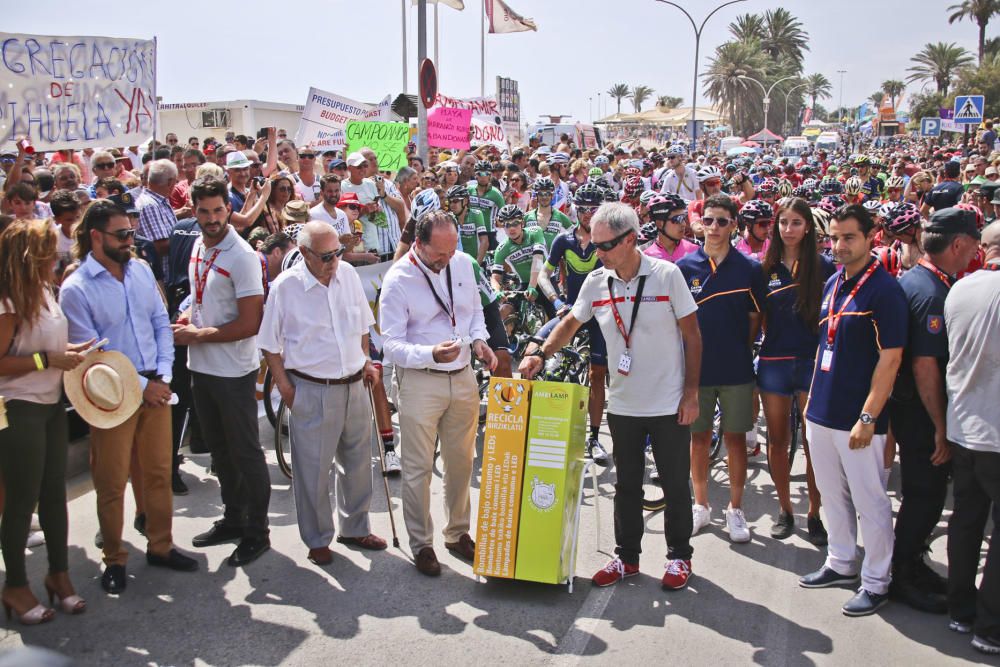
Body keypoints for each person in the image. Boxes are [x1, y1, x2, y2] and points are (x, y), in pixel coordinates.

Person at [520, 202, 702, 590]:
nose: (596, 253)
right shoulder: (597, 281)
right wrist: (540, 353)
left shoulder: (667, 275)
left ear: (631, 239)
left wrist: (691, 395)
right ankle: (627, 558)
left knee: (674, 482)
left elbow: (693, 336)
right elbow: (570, 322)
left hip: (669, 402)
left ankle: (679, 557)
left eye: (604, 246)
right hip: (623, 404)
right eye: (593, 242)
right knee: (626, 484)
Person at [60, 200, 199, 594]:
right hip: (111, 397)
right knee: (111, 480)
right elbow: (92, 354)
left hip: (155, 388)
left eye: (131, 233)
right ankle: (115, 558)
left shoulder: (140, 271)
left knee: (157, 473)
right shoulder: (76, 289)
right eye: (122, 235)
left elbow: (161, 320)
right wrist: (146, 385)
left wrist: (166, 375)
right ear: (96, 237)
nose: (130, 241)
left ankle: (161, 545)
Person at [798, 203, 908, 618]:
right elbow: (826, 346)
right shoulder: (834, 282)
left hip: (858, 419)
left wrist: (868, 417)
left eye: (849, 238)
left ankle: (877, 580)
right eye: (835, 238)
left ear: (869, 237)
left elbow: (891, 359)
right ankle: (841, 561)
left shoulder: (885, 290)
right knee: (831, 495)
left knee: (871, 501)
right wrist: (812, 402)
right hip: (822, 412)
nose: (839, 246)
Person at [258, 222, 386, 566]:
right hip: (312, 388)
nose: (335, 260)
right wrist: (286, 389)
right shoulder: (285, 288)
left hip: (354, 384)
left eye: (338, 252)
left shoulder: (347, 275)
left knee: (358, 464)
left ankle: (355, 527)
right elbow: (269, 345)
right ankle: (317, 539)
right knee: (313, 471)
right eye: (327, 255)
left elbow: (362, 325)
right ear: (304, 254)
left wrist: (365, 362)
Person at [379, 210, 497, 576]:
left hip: (462, 376)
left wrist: (479, 340)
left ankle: (457, 532)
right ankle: (422, 544)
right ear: (418, 243)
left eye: (450, 253)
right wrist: (428, 353)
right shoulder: (398, 278)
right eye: (438, 256)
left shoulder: (461, 263)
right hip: (420, 379)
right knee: (418, 467)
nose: (445, 262)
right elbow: (390, 344)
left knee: (462, 461)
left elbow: (475, 311)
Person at [170, 176, 271, 568]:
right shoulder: (198, 243)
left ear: (229, 209)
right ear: (192, 211)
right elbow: (201, 300)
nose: (212, 219)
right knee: (221, 453)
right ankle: (233, 519)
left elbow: (250, 323)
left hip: (233, 371)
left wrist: (197, 334)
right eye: (204, 211)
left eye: (218, 210)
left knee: (246, 454)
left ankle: (256, 532)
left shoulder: (242, 255)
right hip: (202, 368)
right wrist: (187, 318)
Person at [887, 207, 981, 614]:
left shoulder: (923, 280)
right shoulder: (929, 291)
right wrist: (942, 427)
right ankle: (903, 575)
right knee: (924, 495)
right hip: (920, 412)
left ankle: (912, 564)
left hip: (913, 407)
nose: (974, 253)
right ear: (958, 244)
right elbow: (925, 366)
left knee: (923, 495)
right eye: (973, 245)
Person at [0, 220, 89, 624]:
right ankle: (16, 586)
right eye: (48, 251)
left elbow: (41, 344)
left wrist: (69, 349)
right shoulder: (8, 301)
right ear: (29, 256)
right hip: (20, 408)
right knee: (22, 501)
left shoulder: (44, 291)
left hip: (52, 403)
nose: (57, 257)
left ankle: (58, 574)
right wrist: (48, 359)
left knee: (54, 495)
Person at [676, 194, 766, 543]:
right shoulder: (685, 268)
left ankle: (736, 510)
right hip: (695, 372)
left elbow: (755, 318)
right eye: (709, 220)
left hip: (736, 369)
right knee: (698, 439)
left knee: (735, 440)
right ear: (701, 223)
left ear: (733, 225)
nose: (714, 228)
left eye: (722, 221)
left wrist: (739, 349)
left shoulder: (750, 269)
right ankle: (701, 506)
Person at [757, 198, 834, 544]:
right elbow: (756, 320)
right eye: (783, 222)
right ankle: (785, 509)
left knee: (812, 443)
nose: (789, 230)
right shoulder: (764, 269)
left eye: (796, 223)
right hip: (773, 363)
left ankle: (815, 512)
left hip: (811, 363)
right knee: (777, 440)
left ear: (808, 228)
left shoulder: (825, 267)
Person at [945, 220, 1000, 655]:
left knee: (966, 519)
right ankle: (991, 625)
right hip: (994, 430)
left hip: (963, 426)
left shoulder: (960, 288)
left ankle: (961, 610)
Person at [537, 187, 610, 466]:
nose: (588, 214)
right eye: (583, 209)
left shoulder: (608, 240)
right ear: (575, 210)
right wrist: (556, 301)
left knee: (597, 374)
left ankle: (593, 437)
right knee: (536, 351)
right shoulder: (563, 240)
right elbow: (544, 275)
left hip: (601, 316)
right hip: (571, 311)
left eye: (593, 209)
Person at [136, 159, 180, 260]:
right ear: (169, 182)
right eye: (176, 181)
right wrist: (188, 238)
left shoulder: (159, 201)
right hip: (161, 274)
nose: (176, 185)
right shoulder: (149, 205)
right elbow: (158, 247)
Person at [643, 194, 699, 263]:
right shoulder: (646, 257)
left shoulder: (695, 251)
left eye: (683, 218)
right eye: (677, 219)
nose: (684, 224)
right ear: (659, 224)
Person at [523, 177, 573, 250]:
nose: (544, 197)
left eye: (548, 193)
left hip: (552, 259)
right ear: (536, 195)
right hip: (531, 259)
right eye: (540, 194)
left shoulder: (560, 215)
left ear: (552, 195)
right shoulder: (526, 217)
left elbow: (575, 235)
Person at [447, 185, 488, 264]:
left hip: (477, 261)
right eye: (450, 201)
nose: (452, 204)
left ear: (465, 201)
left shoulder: (476, 214)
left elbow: (484, 241)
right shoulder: (449, 217)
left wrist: (477, 264)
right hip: (459, 263)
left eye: (455, 201)